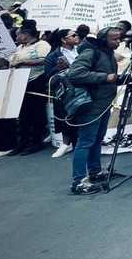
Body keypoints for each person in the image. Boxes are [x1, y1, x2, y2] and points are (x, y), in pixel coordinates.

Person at [65, 27, 123, 195]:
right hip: (91, 105)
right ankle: (79, 181)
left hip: (103, 104)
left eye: (119, 39)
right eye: (114, 39)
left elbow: (108, 77)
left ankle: (95, 172)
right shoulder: (91, 52)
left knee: (97, 139)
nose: (118, 42)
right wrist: (105, 77)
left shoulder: (106, 52)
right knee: (85, 142)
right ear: (104, 39)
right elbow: (75, 74)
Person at [11, 23, 52, 155]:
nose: (17, 37)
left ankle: (36, 142)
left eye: (19, 34)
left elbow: (43, 60)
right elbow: (12, 60)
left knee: (36, 113)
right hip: (19, 81)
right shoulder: (19, 47)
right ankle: (23, 142)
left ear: (26, 35)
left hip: (35, 81)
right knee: (23, 115)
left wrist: (23, 63)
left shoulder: (42, 45)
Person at [43, 29, 80, 158]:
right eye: (73, 35)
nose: (77, 36)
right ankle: (66, 143)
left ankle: (79, 144)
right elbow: (47, 77)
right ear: (64, 40)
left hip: (83, 87)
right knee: (66, 117)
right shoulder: (53, 56)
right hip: (65, 91)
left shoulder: (81, 50)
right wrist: (57, 68)